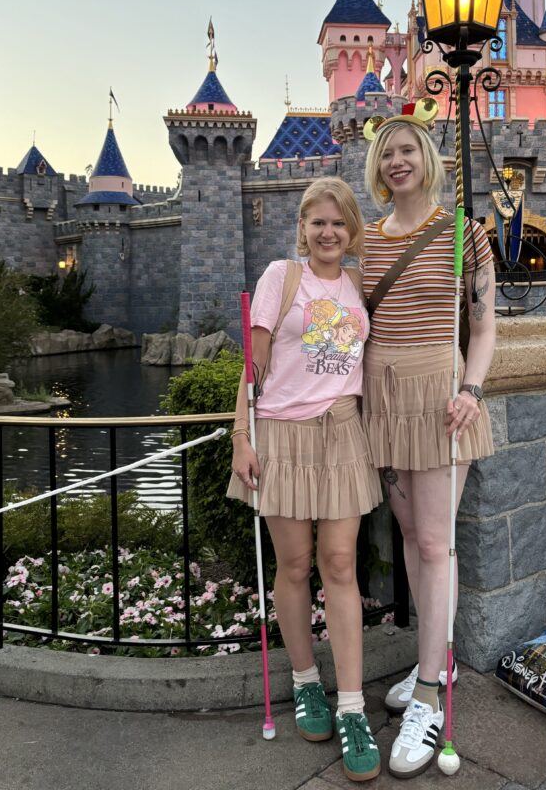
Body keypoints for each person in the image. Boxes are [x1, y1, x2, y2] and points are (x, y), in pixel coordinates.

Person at [228, 176, 383, 783]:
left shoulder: (356, 285)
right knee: (294, 566)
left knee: (339, 563)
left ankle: (351, 709)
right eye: (318, 222)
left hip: (342, 432)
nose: (329, 232)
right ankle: (304, 682)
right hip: (283, 435)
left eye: (339, 222)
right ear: (303, 227)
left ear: (351, 231)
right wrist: (242, 435)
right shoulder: (280, 278)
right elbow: (253, 367)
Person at [361, 106, 496, 779]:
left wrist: (471, 390)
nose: (398, 162)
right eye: (388, 153)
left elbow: (485, 325)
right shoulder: (366, 241)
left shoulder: (465, 237)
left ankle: (434, 694)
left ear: (428, 159)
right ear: (377, 167)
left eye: (408, 150)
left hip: (441, 399)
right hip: (384, 399)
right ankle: (430, 660)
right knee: (413, 538)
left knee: (436, 543)